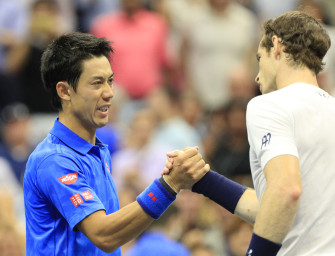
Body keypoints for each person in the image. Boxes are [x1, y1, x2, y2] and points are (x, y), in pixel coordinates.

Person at [23, 32, 209, 256]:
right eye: (97, 83)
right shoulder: (54, 159)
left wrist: (166, 183)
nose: (110, 93)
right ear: (64, 91)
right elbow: (104, 235)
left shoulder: (98, 151)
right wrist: (168, 185)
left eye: (110, 80)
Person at [165, 11, 335, 255]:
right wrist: (202, 180)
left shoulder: (268, 105)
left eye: (259, 58)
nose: (257, 75)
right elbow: (272, 208)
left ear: (276, 45)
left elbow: (285, 191)